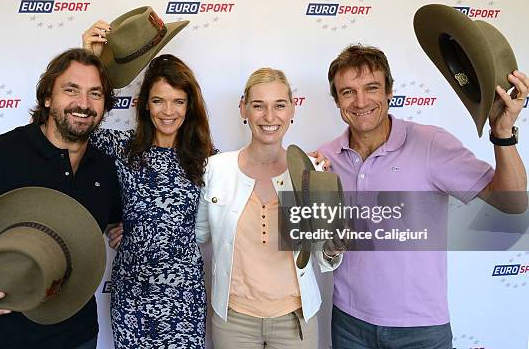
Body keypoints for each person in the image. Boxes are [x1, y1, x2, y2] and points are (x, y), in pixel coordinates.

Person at [317, 44, 527, 349]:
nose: (361, 101)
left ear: (389, 91)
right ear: (337, 101)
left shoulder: (431, 144)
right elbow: (318, 244)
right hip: (350, 323)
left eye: (372, 88)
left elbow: (512, 203)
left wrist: (503, 132)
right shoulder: (325, 158)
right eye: (348, 92)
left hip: (420, 328)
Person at [0, 48, 122, 349]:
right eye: (71, 90)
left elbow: (109, 222)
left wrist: (119, 230)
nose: (83, 104)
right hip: (0, 338)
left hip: (79, 336)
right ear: (47, 97)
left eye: (94, 93)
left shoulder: (107, 167)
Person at [195, 68, 343, 349]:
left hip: (296, 319)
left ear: (292, 110)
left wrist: (334, 246)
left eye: (279, 105)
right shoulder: (216, 168)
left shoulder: (311, 170)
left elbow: (325, 253)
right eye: (258, 105)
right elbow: (196, 234)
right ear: (244, 109)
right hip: (233, 321)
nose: (269, 117)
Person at [88, 54, 215, 348]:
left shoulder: (207, 159)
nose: (168, 111)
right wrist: (94, 58)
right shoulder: (121, 148)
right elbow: (65, 123)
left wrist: (308, 167)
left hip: (184, 297)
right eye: (159, 100)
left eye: (178, 101)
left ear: (189, 105)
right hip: (132, 294)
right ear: (145, 103)